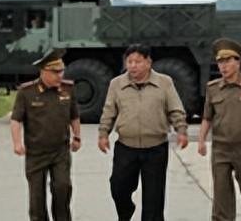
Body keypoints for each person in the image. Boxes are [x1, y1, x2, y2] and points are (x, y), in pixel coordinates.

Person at [98, 43, 189, 221]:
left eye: (138, 61)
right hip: (126, 147)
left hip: (156, 148)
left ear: (148, 62)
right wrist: (103, 134)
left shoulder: (164, 82)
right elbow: (109, 111)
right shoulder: (116, 84)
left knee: (154, 199)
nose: (133, 66)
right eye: (129, 61)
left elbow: (175, 109)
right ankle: (126, 210)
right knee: (118, 187)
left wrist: (181, 130)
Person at [197, 38, 241, 221]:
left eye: (228, 61)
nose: (223, 66)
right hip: (221, 149)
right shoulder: (213, 89)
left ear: (237, 62)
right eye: (220, 62)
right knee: (221, 195)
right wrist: (201, 140)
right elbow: (207, 117)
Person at [10, 48, 81, 221]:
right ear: (43, 72)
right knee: (37, 198)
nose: (59, 76)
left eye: (61, 71)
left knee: (63, 188)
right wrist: (17, 143)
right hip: (36, 153)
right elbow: (16, 120)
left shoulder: (68, 89)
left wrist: (77, 137)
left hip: (60, 151)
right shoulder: (27, 92)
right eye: (55, 72)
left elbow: (74, 116)